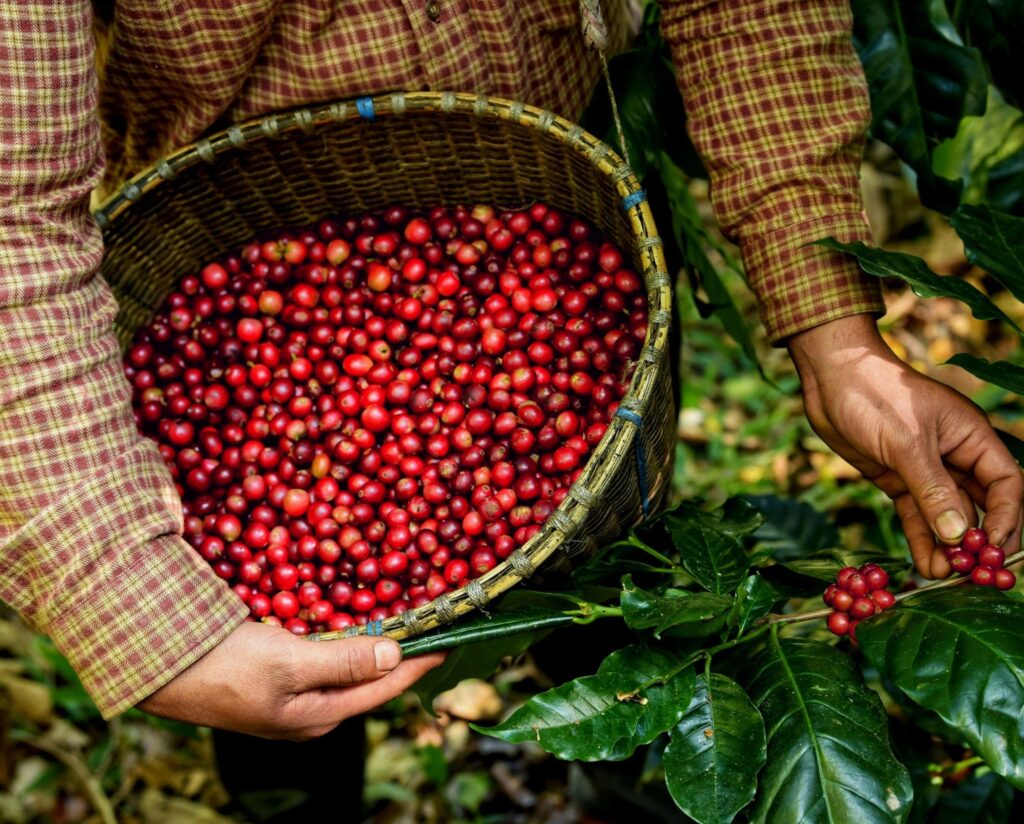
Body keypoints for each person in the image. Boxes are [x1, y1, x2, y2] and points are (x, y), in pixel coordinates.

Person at [1, 0, 1020, 740]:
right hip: (228, 189)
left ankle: (618, 717)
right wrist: (142, 609)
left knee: (616, 557)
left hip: (550, 172)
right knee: (276, 660)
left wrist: (835, 335)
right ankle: (289, 789)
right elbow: (12, 215)